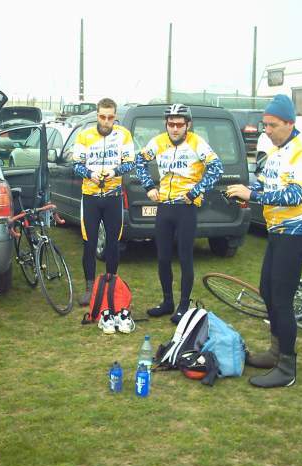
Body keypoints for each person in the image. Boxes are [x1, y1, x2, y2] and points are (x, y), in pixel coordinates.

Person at [226, 94, 302, 388]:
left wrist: (253, 195)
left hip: (297, 233)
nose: (266, 131)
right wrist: (246, 188)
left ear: (290, 123)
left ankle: (287, 368)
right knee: (267, 291)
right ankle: (274, 352)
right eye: (264, 125)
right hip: (278, 232)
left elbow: (294, 195)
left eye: (271, 125)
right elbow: (269, 183)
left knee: (281, 300)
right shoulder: (276, 149)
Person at [136, 104, 223, 324]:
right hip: (165, 206)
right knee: (163, 257)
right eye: (171, 124)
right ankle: (167, 302)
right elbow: (139, 161)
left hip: (186, 207)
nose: (175, 128)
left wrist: (196, 191)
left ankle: (184, 305)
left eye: (179, 124)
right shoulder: (158, 142)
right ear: (166, 124)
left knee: (185, 258)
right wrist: (148, 186)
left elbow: (216, 167)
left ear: (188, 125)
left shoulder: (196, 142)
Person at [73, 98, 135, 307]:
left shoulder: (123, 135)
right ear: (97, 115)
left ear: (114, 117)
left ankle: (110, 284)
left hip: (113, 197)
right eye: (102, 116)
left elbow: (130, 163)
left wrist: (114, 171)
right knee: (89, 243)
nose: (106, 121)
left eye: (110, 117)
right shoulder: (84, 135)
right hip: (90, 197)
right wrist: (89, 173)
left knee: (112, 242)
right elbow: (76, 165)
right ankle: (90, 287)